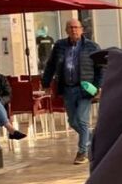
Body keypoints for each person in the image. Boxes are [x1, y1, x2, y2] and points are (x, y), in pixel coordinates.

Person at [41, 19, 102, 164]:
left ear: (82, 29)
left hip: (85, 88)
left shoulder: (92, 46)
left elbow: (101, 67)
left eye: (76, 27)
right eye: (70, 27)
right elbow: (50, 65)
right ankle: (91, 137)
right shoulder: (59, 45)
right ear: (66, 30)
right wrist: (46, 83)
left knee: (81, 119)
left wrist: (99, 86)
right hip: (67, 88)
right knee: (73, 121)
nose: (74, 30)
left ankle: (82, 152)